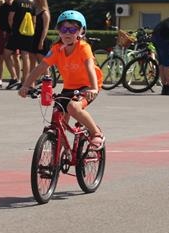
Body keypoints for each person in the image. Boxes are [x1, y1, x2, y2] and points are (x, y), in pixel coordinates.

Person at [19, 10, 105, 149]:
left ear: (82, 31)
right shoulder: (56, 49)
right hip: (69, 87)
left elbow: (90, 67)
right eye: (63, 29)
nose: (67, 33)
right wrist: (26, 85)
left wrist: (93, 88)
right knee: (58, 118)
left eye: (72, 29)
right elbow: (41, 67)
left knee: (73, 107)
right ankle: (64, 153)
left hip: (88, 85)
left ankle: (96, 133)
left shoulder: (83, 47)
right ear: (58, 31)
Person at [7, 0, 35, 86]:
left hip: (16, 33)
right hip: (28, 34)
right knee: (25, 56)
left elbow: (10, 18)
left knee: (6, 53)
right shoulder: (32, 4)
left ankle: (14, 76)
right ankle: (25, 81)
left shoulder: (16, 2)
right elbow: (34, 21)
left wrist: (13, 29)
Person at [0, 0, 19, 88]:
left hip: (11, 34)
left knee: (15, 56)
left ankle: (18, 79)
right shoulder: (2, 7)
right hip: (1, 33)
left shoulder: (15, 7)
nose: (6, 0)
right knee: (0, 56)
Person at [32, 0, 51, 72]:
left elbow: (45, 28)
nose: (33, 1)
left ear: (39, 1)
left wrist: (41, 41)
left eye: (35, 0)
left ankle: (47, 77)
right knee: (34, 60)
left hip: (41, 38)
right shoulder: (36, 11)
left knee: (42, 61)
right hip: (34, 37)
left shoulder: (45, 13)